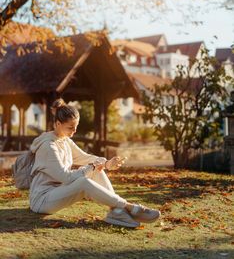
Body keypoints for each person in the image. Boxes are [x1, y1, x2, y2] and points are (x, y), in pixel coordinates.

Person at [29, 98, 161, 228]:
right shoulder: (48, 146)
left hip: (58, 191)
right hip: (42, 200)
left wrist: (107, 163)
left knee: (95, 170)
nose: (74, 131)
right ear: (58, 124)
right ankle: (128, 207)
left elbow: (86, 158)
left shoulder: (65, 140)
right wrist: (91, 167)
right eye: (70, 128)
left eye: (76, 127)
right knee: (84, 181)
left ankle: (116, 212)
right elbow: (66, 177)